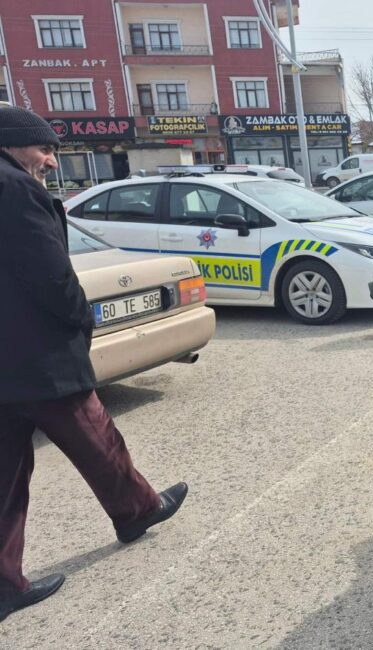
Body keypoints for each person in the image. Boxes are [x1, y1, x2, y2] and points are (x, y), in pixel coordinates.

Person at [0, 106, 188, 622]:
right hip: (39, 358)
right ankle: (138, 510)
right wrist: (81, 320)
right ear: (12, 144)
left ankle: (3, 586)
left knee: (4, 476)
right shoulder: (15, 190)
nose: (51, 161)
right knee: (98, 438)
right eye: (45, 149)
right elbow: (51, 275)